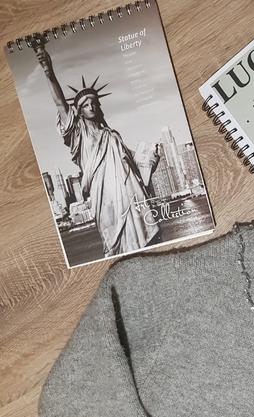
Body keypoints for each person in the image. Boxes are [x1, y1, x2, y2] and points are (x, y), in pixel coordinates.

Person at [34, 41, 161, 256]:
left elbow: (136, 164)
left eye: (93, 103)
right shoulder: (78, 135)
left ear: (99, 107)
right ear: (79, 111)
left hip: (130, 193)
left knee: (143, 241)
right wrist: (49, 72)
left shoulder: (112, 135)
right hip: (104, 197)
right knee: (115, 243)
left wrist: (151, 157)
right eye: (85, 105)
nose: (91, 106)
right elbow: (60, 104)